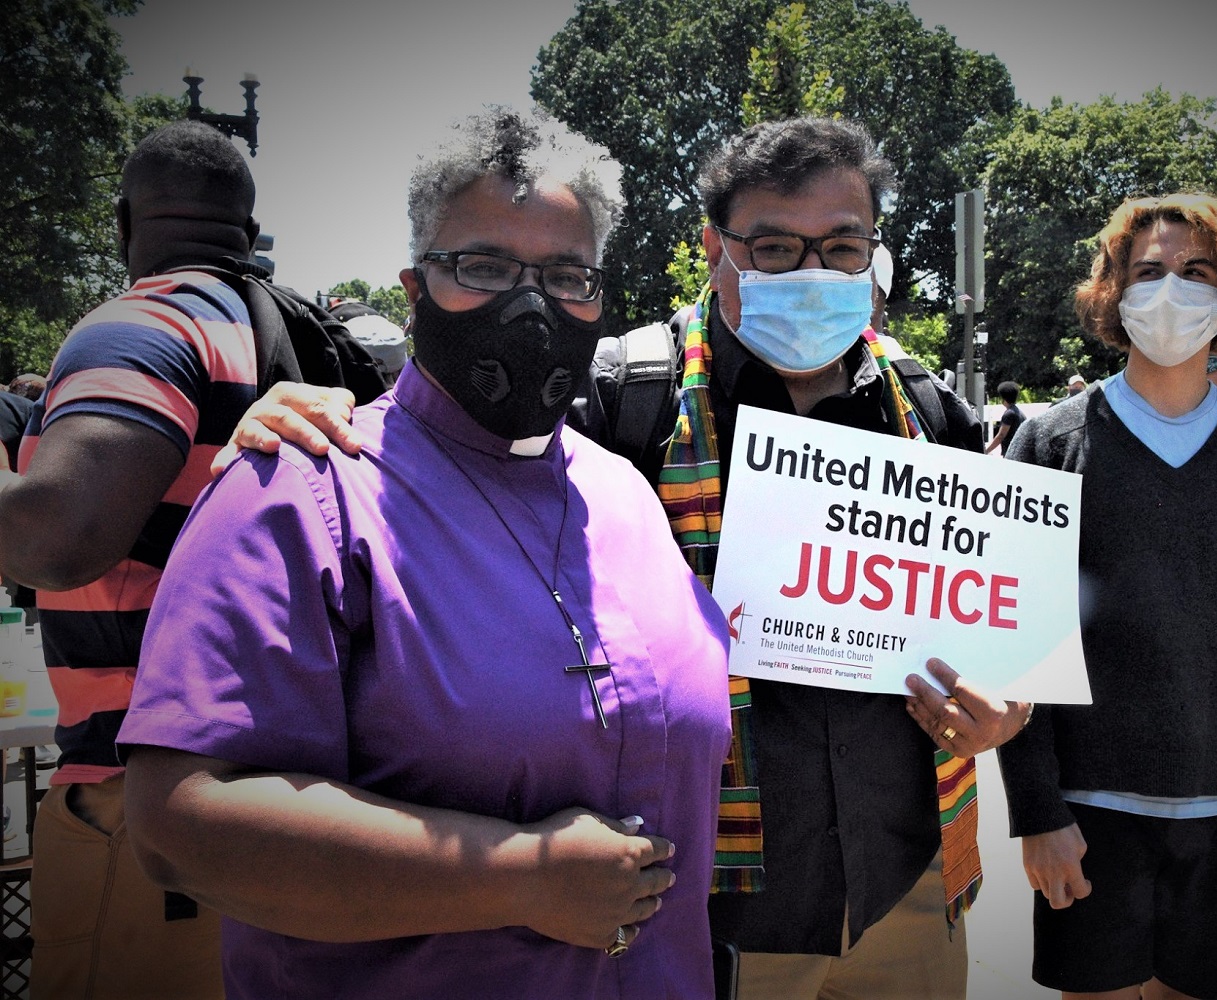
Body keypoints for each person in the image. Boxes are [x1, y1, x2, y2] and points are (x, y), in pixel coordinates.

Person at [224, 115, 1033, 1000]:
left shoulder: (930, 410)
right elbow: (459, 441)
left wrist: (1006, 704)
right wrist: (328, 412)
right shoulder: (618, 395)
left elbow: (1001, 635)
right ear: (713, 249)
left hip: (906, 890)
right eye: (772, 248)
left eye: (842, 248)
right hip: (704, 912)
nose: (811, 274)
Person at [119, 106, 731, 999]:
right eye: (483, 266)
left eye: (568, 275)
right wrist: (515, 875)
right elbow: (181, 824)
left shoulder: (625, 494)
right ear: (414, 287)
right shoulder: (302, 488)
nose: (531, 306)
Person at [0, 119, 345, 999]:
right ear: (246, 228)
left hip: (145, 814)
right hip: (291, 806)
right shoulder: (296, 337)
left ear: (123, 224)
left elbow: (57, 537)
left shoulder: (144, 325)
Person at [1000, 192, 1217, 1000]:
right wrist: (1037, 810)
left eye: (1196, 271)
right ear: (1114, 292)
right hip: (1088, 817)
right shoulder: (1049, 443)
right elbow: (1015, 640)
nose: (1170, 289)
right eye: (1148, 271)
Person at [984, 379, 1025, 455]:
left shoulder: (1009, 414)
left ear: (1003, 398)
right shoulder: (1019, 413)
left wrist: (986, 451)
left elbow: (1001, 435)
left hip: (1010, 453)